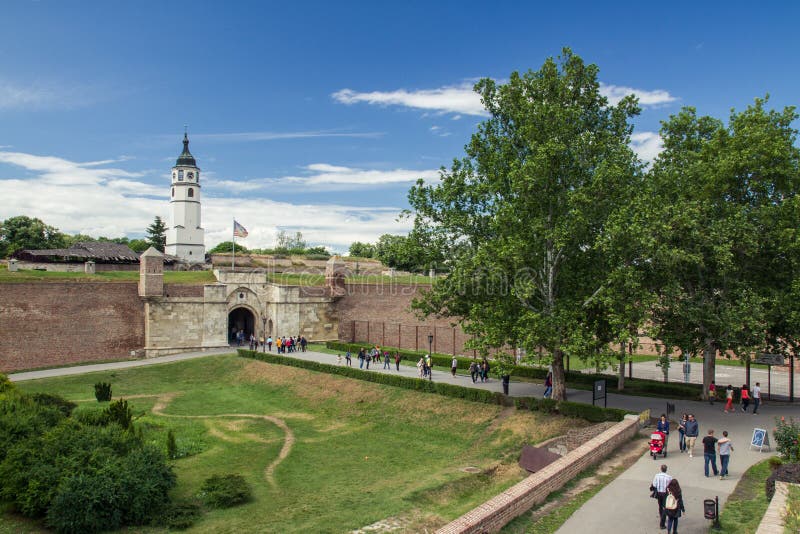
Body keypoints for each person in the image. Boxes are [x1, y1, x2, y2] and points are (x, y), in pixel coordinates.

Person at [651, 464, 672, 530]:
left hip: (659, 493)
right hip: (665, 494)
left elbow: (654, 484)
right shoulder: (669, 477)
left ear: (661, 469)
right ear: (666, 469)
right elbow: (670, 486)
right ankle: (662, 523)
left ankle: (661, 516)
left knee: (660, 506)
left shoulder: (657, 476)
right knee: (665, 507)